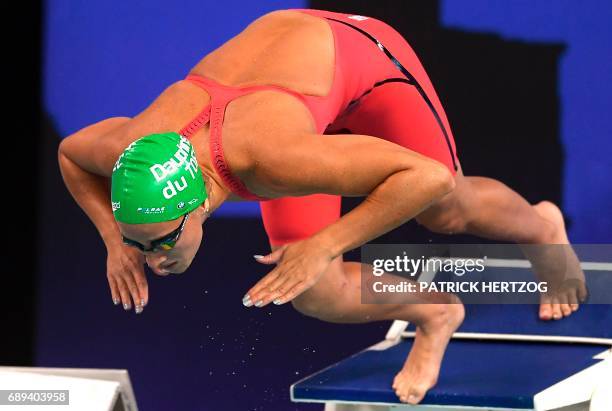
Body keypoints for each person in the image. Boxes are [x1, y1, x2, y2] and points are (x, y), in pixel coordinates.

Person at [58, 9, 586, 404]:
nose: (152, 259)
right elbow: (70, 155)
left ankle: (543, 226)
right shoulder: (128, 148)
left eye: (161, 240)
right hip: (280, 98)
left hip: (364, 61)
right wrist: (113, 239)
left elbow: (428, 176)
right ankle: (437, 311)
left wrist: (327, 243)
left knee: (446, 208)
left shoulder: (272, 160)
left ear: (197, 205)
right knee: (311, 290)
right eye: (140, 241)